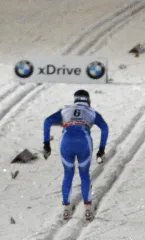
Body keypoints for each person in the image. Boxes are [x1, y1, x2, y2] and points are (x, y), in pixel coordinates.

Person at [43, 89, 108, 221]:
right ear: (88, 100)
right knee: (84, 175)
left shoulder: (65, 110)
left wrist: (46, 144)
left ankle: (66, 209)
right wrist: (101, 149)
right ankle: (88, 209)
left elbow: (47, 121)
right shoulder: (92, 112)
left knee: (68, 174)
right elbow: (105, 128)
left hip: (66, 141)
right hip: (83, 141)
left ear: (75, 100)